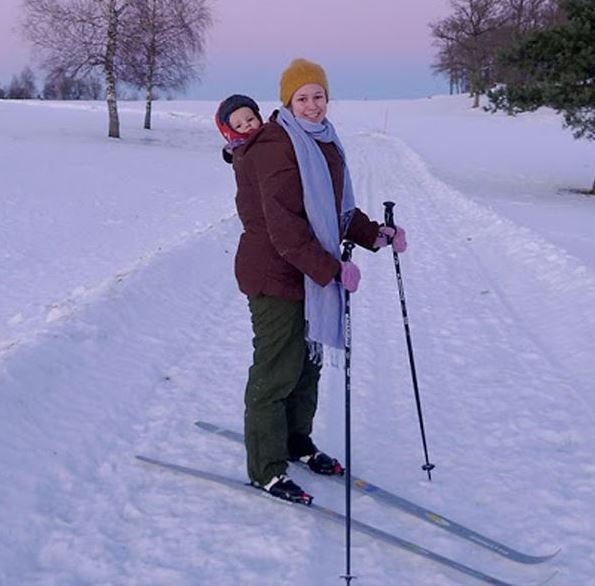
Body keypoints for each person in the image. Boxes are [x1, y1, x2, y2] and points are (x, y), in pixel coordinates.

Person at [227, 58, 407, 505]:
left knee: (307, 366)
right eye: (302, 98)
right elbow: (284, 226)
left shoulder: (324, 141)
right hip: (275, 273)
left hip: (305, 273)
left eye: (319, 96)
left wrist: (374, 234)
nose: (312, 105)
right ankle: (265, 468)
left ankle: (295, 442)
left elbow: (333, 209)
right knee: (277, 369)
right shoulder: (276, 145)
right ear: (287, 102)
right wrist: (330, 270)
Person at [215, 94, 263, 163]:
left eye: (250, 119)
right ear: (231, 131)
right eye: (238, 126)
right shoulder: (239, 144)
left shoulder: (269, 131)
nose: (247, 125)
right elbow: (229, 153)